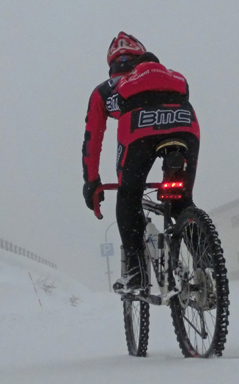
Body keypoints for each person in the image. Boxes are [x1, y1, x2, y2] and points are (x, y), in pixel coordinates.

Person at [82, 32, 200, 294]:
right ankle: (208, 266)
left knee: (129, 196)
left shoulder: (103, 91)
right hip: (186, 124)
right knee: (182, 199)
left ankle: (136, 271)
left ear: (111, 64)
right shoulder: (172, 76)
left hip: (138, 130)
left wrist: (91, 182)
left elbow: (93, 140)